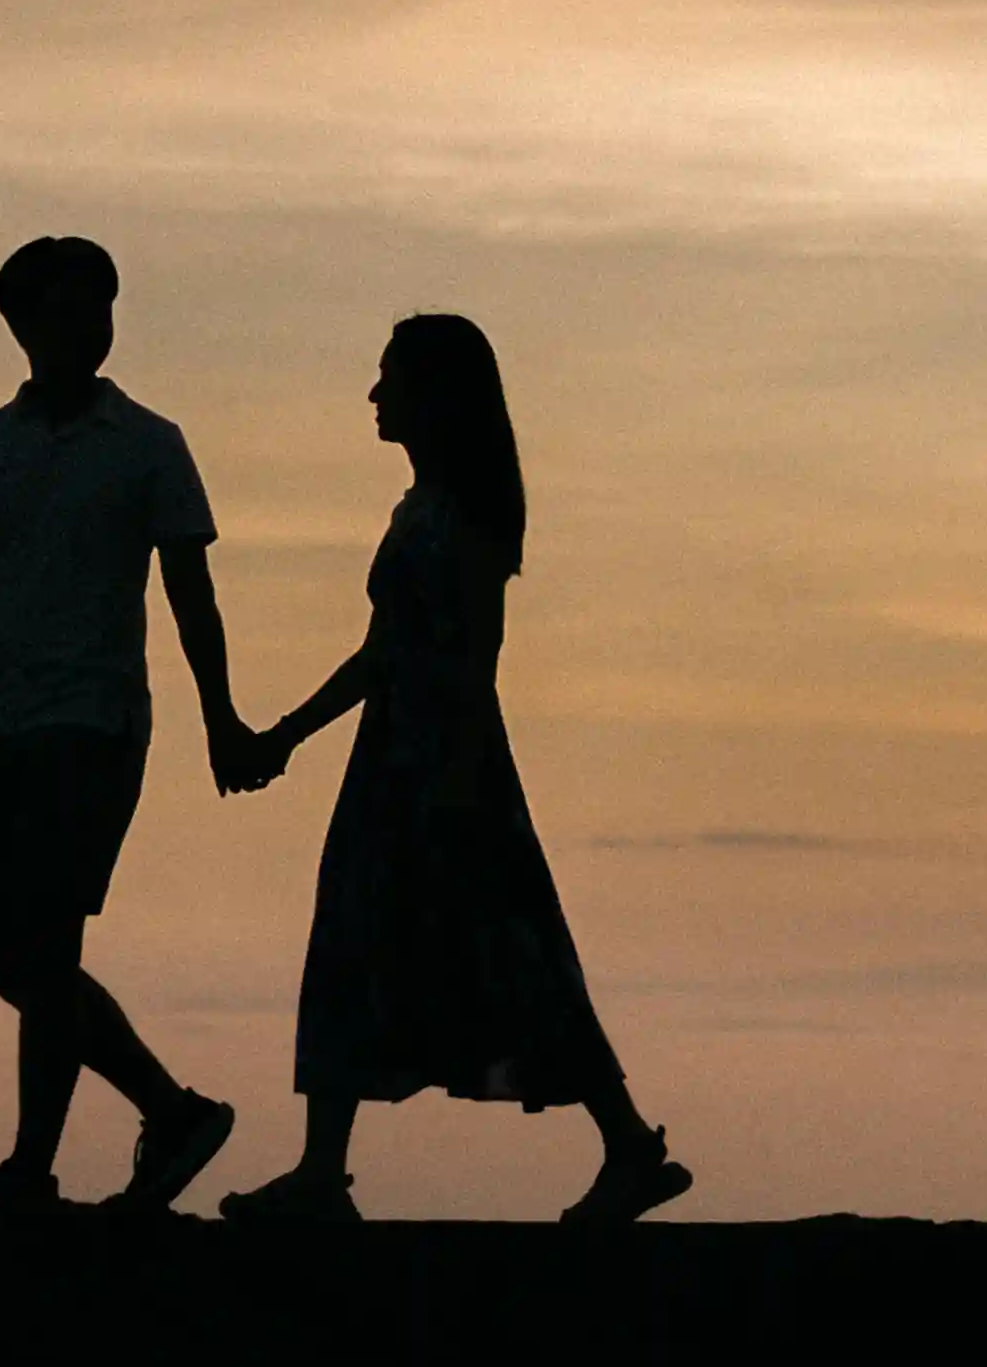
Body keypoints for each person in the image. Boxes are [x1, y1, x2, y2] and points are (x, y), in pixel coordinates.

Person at [216, 313, 687, 1226]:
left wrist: (298, 739)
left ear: (433, 393)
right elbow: (382, 651)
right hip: (412, 751)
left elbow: (427, 653)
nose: (374, 394)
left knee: (502, 954)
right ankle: (326, 1167)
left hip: (441, 759)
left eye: (389, 376)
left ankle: (624, 1144)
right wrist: (288, 734)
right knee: (390, 947)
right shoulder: (430, 506)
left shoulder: (462, 511)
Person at [0, 236, 251, 1215]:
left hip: (96, 726)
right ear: (23, 322)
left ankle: (33, 1170)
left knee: (44, 946)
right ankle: (170, 1111)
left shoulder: (148, 443)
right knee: (4, 953)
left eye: (104, 307)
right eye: (72, 307)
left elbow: (191, 595)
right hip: (1, 728)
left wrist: (220, 717)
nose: (93, 325)